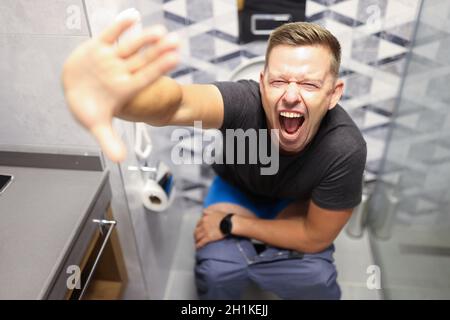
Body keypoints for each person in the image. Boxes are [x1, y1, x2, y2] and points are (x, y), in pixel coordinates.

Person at [62, 18, 367, 300]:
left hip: (295, 204)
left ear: (334, 93)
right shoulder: (244, 103)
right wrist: (124, 97)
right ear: (261, 84)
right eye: (278, 82)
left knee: (317, 280)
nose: (290, 95)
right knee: (217, 273)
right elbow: (177, 104)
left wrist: (232, 224)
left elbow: (314, 237)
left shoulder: (344, 148)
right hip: (237, 191)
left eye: (309, 84)